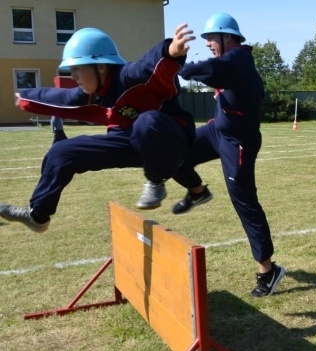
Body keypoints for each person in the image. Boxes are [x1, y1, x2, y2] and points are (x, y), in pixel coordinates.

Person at [0, 26, 196, 232]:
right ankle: (37, 216)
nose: (73, 76)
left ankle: (155, 182)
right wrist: (24, 97)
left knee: (146, 122)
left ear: (100, 67)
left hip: (171, 139)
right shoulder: (93, 93)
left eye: (77, 69)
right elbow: (61, 98)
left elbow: (147, 66)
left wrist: (170, 52)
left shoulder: (128, 77)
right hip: (130, 142)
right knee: (61, 152)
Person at [169, 13, 284, 298]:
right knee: (171, 149)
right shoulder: (229, 62)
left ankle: (268, 271)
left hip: (238, 143)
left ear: (228, 37)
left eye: (211, 38)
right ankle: (197, 191)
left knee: (244, 202)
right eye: (206, 38)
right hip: (215, 132)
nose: (208, 43)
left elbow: (211, 70)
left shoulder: (240, 59)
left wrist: (179, 67)